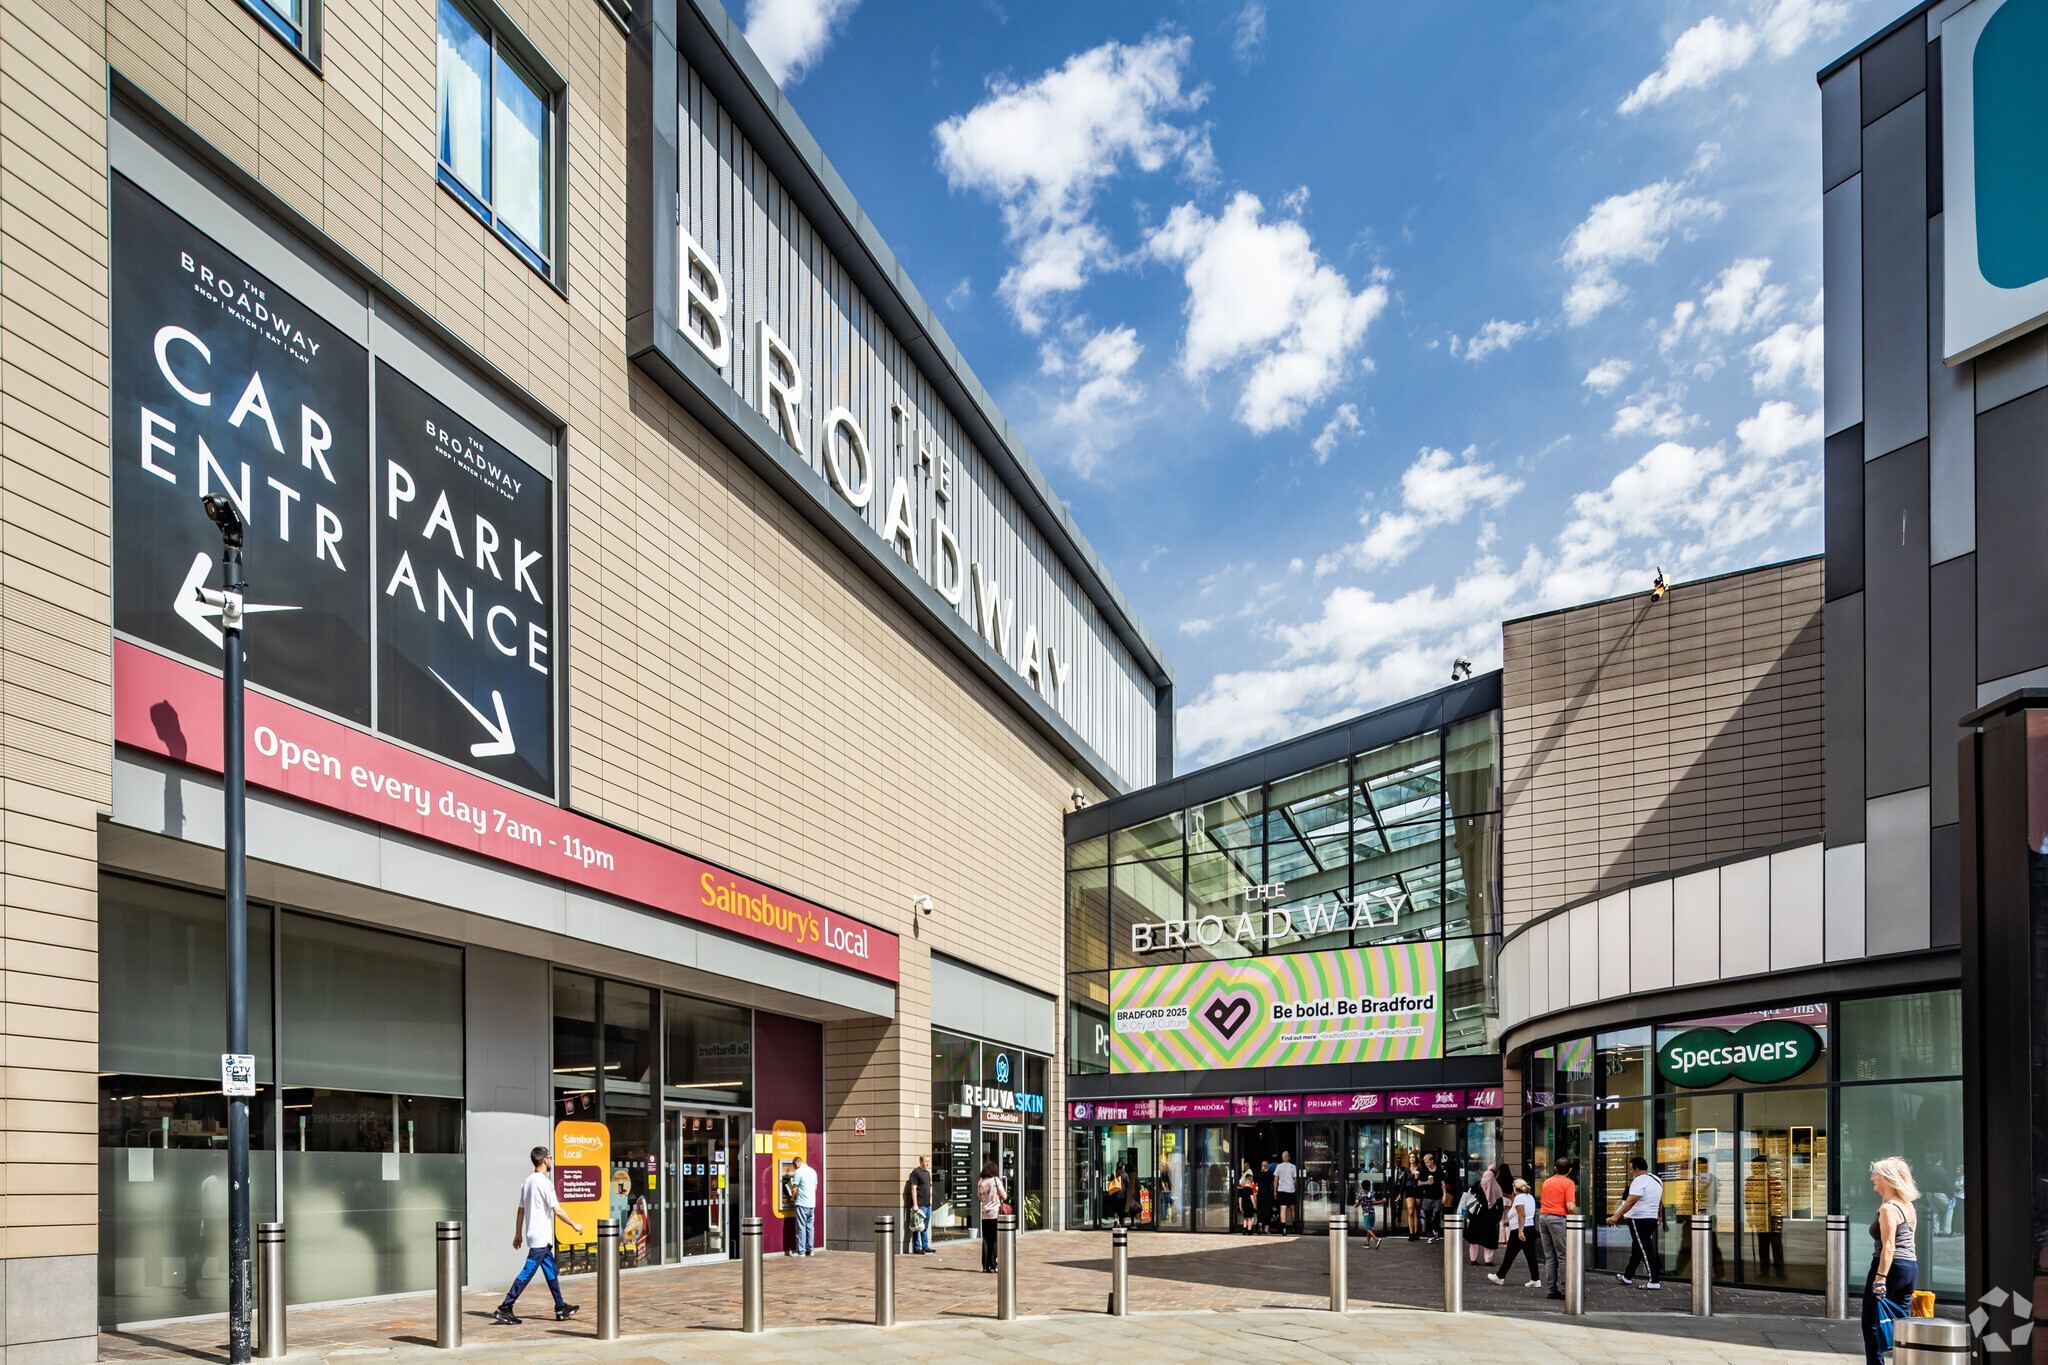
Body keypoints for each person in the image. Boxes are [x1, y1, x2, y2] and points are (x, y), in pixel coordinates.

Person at [493, 1145, 583, 1325]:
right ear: (544, 1160)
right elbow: (557, 1210)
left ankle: (560, 1307)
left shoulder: (527, 1182)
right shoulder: (544, 1183)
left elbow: (520, 1211)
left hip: (537, 1237)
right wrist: (574, 1223)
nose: (551, 1160)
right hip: (540, 1239)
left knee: (551, 1271)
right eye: (549, 1157)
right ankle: (505, 1307)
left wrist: (518, 1233)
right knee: (527, 1272)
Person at [1863, 1157, 1920, 1365]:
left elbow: (1888, 1247)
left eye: (1876, 1174)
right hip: (1909, 1267)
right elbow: (1911, 1244)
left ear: (1887, 1178)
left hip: (1889, 1267)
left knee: (1871, 1323)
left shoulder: (1888, 1209)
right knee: (1900, 1323)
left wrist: (1880, 1278)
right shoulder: (1908, 1206)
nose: (1872, 1179)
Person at [1609, 1155, 1664, 1290]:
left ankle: (1654, 1281)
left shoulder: (1639, 1180)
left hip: (1639, 1219)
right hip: (1651, 1218)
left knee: (1645, 1249)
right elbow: (1660, 1202)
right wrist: (1659, 1217)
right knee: (1638, 1249)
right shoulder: (1657, 1180)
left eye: (1631, 1169)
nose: (1630, 1172)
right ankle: (1627, 1276)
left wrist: (1616, 1216)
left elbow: (1632, 1200)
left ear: (1637, 1169)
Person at [1489, 1177, 1543, 1287]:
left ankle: (1500, 1276)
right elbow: (1524, 1214)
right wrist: (1510, 1222)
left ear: (1515, 1188)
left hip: (1519, 1230)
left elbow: (1522, 1214)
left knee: (1510, 1255)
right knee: (1530, 1255)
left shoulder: (1519, 1198)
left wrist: (1520, 1231)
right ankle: (1535, 1278)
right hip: (1529, 1228)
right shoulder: (1530, 1197)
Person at [1537, 1156, 1576, 1301]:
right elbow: (1571, 1206)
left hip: (1543, 1217)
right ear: (1570, 1170)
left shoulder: (1547, 1182)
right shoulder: (1568, 1183)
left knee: (1550, 1256)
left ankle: (1552, 1290)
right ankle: (1567, 1290)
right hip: (1558, 1218)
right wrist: (1576, 1218)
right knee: (1563, 1255)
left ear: (1555, 1169)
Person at [1745, 1154, 1785, 1276]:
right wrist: (1750, 1215)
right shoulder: (1750, 1181)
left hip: (1773, 1215)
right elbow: (1747, 1200)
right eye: (1753, 1166)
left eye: (1756, 1166)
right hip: (1760, 1215)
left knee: (1776, 1241)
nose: (1754, 1168)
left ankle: (1779, 1269)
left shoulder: (1773, 1180)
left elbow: (1782, 1198)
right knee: (1763, 1242)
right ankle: (1765, 1269)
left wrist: (1771, 1206)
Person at [1466, 1163, 1505, 1265]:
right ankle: (1488, 1260)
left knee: (1474, 1240)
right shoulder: (1497, 1188)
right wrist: (1498, 1219)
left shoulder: (1478, 1184)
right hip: (1489, 1218)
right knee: (1488, 1240)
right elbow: (1500, 1206)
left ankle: (1473, 1259)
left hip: (1476, 1216)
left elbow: (1470, 1193)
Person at [977, 1159, 1006, 1273]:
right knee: (994, 1239)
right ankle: (994, 1264)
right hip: (994, 1213)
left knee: (986, 1239)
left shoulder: (980, 1182)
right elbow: (1004, 1195)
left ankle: (985, 1265)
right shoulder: (995, 1180)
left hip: (984, 1213)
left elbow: (979, 1198)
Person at [789, 1153, 818, 1256]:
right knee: (810, 1227)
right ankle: (810, 1250)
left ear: (796, 1163)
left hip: (802, 1204)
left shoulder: (799, 1171)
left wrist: (792, 1198)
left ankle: (801, 1251)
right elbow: (815, 1188)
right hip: (811, 1204)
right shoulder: (813, 1171)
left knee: (801, 1227)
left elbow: (794, 1187)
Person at [907, 1155, 933, 1254]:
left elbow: (929, 1187)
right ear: (921, 1161)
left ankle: (925, 1246)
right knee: (917, 1225)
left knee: (925, 1226)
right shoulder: (916, 1172)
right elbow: (913, 1188)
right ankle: (917, 1247)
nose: (927, 1163)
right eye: (926, 1161)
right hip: (920, 1204)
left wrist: (930, 1201)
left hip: (927, 1204)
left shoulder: (927, 1173)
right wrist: (915, 1204)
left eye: (928, 1161)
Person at [1418, 1152, 1445, 1244]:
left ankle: (1436, 1233)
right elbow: (1419, 1183)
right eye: (1425, 1162)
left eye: (1427, 1162)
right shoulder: (1424, 1171)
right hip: (1427, 1197)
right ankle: (1430, 1236)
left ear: (1432, 1161)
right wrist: (1427, 1183)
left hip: (1438, 1197)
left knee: (1436, 1217)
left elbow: (1443, 1183)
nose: (1426, 1164)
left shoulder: (1439, 1170)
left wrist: (1444, 1195)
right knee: (1428, 1217)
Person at [1355, 1171, 1383, 1250]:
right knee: (1369, 1228)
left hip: (1366, 1213)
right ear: (1368, 1187)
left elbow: (1357, 1204)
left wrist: (1356, 1205)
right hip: (1372, 1213)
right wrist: (1382, 1201)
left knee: (1367, 1228)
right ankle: (1367, 1243)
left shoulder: (1360, 1194)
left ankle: (1376, 1239)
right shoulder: (1371, 1194)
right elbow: (1373, 1203)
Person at [1273, 1149, 1299, 1234]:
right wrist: (1296, 1189)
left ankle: (1284, 1228)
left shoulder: (1278, 1166)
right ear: (1289, 1158)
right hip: (1291, 1189)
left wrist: (1275, 1191)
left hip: (1281, 1190)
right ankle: (1294, 1226)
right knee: (1292, 1208)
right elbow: (1295, 1180)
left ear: (1282, 1157)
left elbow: (1275, 1180)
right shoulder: (1293, 1167)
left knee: (1282, 1208)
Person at [1236, 1166, 1257, 1234]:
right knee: (1250, 1218)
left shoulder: (1242, 1189)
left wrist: (1240, 1206)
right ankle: (1249, 1230)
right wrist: (1254, 1204)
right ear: (1250, 1182)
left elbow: (1240, 1198)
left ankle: (1244, 1229)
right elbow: (1251, 1197)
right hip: (1250, 1205)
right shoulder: (1250, 1189)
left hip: (1244, 1205)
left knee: (1245, 1218)